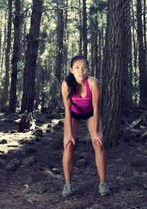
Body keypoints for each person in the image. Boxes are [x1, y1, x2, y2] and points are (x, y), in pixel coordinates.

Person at [60, 54, 110, 197]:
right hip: (73, 115)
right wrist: (69, 134)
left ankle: (103, 183)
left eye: (84, 68)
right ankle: (68, 185)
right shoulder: (66, 85)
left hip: (90, 114)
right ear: (71, 70)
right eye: (77, 68)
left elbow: (96, 108)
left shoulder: (93, 83)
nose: (81, 71)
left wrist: (96, 132)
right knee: (68, 144)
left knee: (98, 143)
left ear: (88, 69)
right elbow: (67, 110)